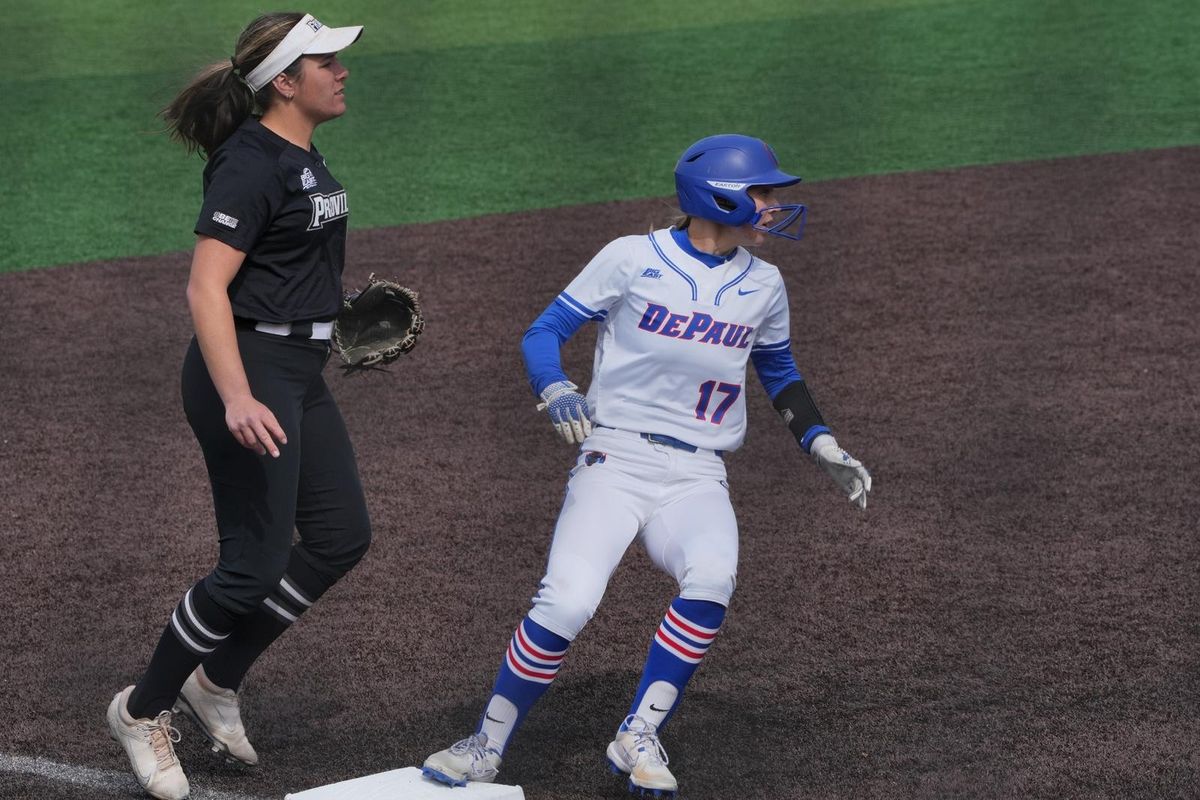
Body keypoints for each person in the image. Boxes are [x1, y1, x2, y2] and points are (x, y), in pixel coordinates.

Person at [421, 134, 873, 797]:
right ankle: (486, 744)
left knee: (712, 577)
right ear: (716, 196)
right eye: (763, 193)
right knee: (568, 600)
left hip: (698, 474)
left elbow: (778, 369)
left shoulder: (765, 283)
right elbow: (543, 333)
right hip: (615, 460)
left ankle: (638, 731)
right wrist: (555, 388)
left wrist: (822, 443)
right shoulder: (632, 258)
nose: (774, 205)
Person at [106, 13, 369, 800]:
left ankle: (216, 678)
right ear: (284, 82)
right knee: (249, 564)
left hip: (296, 367)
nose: (342, 70)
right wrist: (237, 395)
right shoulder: (251, 163)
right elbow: (206, 287)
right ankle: (141, 709)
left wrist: (332, 314)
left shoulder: (303, 156)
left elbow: (279, 264)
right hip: (248, 374)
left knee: (338, 536)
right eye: (326, 60)